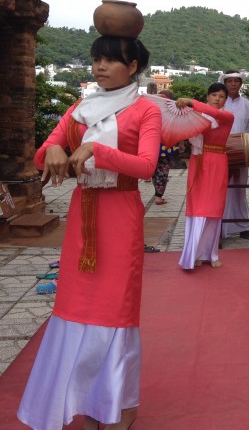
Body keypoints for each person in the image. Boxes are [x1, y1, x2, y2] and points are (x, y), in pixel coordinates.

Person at [19, 34, 161, 430]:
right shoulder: (81, 108)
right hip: (83, 216)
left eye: (111, 61)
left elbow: (147, 166)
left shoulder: (145, 110)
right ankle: (82, 400)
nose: (100, 67)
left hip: (121, 212)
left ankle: (118, 405)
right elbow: (45, 150)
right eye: (97, 59)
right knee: (75, 310)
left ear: (132, 67)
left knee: (116, 311)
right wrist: (52, 149)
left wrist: (98, 151)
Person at [177, 83, 235, 270]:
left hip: (218, 162)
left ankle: (211, 253)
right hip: (198, 161)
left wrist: (191, 102)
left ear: (226, 100)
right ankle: (194, 253)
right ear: (208, 96)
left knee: (214, 208)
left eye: (222, 96)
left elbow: (216, 114)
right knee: (198, 207)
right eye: (214, 95)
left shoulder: (227, 116)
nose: (218, 99)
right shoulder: (196, 116)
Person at [219, 70, 249, 241]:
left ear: (241, 84)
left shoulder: (248, 104)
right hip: (220, 153)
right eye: (230, 81)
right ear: (225, 83)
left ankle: (242, 226)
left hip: (241, 153)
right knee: (220, 190)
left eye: (237, 81)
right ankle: (218, 226)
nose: (233, 84)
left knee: (239, 190)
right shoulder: (219, 103)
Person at [151, 90, 178, 206]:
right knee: (163, 171)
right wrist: (180, 144)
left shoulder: (152, 109)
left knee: (154, 170)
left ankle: (157, 193)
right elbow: (178, 128)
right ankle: (158, 195)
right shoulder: (173, 111)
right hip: (167, 145)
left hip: (152, 144)